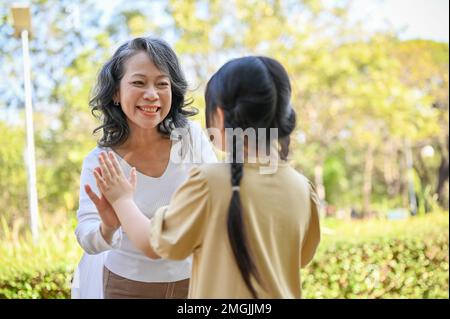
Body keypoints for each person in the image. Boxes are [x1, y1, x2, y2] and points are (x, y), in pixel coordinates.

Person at [91, 56, 320, 298]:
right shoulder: (303, 189)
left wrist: (121, 199)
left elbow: (153, 244)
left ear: (219, 116)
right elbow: (301, 257)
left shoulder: (210, 182)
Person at [72, 36, 217, 299]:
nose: (152, 94)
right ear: (116, 92)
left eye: (162, 84)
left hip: (195, 282)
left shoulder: (190, 138)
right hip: (126, 286)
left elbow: (218, 201)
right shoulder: (101, 161)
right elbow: (85, 233)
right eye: (139, 82)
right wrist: (107, 227)